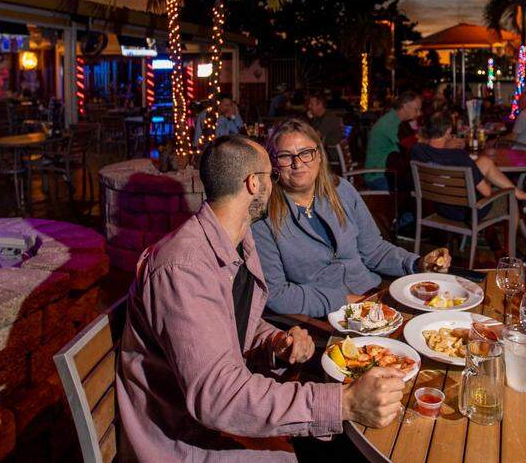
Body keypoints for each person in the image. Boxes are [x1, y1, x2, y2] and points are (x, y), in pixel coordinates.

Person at [116, 135, 406, 459]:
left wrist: (274, 342)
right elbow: (219, 398)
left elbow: (226, 324)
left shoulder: (237, 241)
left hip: (217, 420)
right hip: (183, 442)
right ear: (254, 183)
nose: (277, 182)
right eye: (272, 174)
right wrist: (344, 403)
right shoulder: (183, 268)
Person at [252, 119, 450, 318]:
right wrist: (344, 302)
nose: (297, 163)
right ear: (274, 163)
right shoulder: (263, 217)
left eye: (306, 153)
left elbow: (374, 250)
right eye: (286, 156)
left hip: (373, 296)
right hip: (325, 317)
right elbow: (276, 294)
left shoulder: (341, 190)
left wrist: (417, 263)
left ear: (319, 155)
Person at [410, 114, 526, 220]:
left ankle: (523, 196)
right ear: (448, 130)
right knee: (510, 199)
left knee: (484, 161)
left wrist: (445, 145)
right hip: (467, 211)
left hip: (439, 205)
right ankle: (512, 252)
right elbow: (487, 192)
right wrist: (488, 182)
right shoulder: (459, 157)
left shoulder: (417, 151)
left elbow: (431, 148)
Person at [363, 90, 422, 190]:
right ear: (405, 106)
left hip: (385, 171)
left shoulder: (395, 119)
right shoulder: (391, 123)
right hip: (378, 176)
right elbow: (410, 147)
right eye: (416, 109)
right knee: (421, 187)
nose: (419, 113)